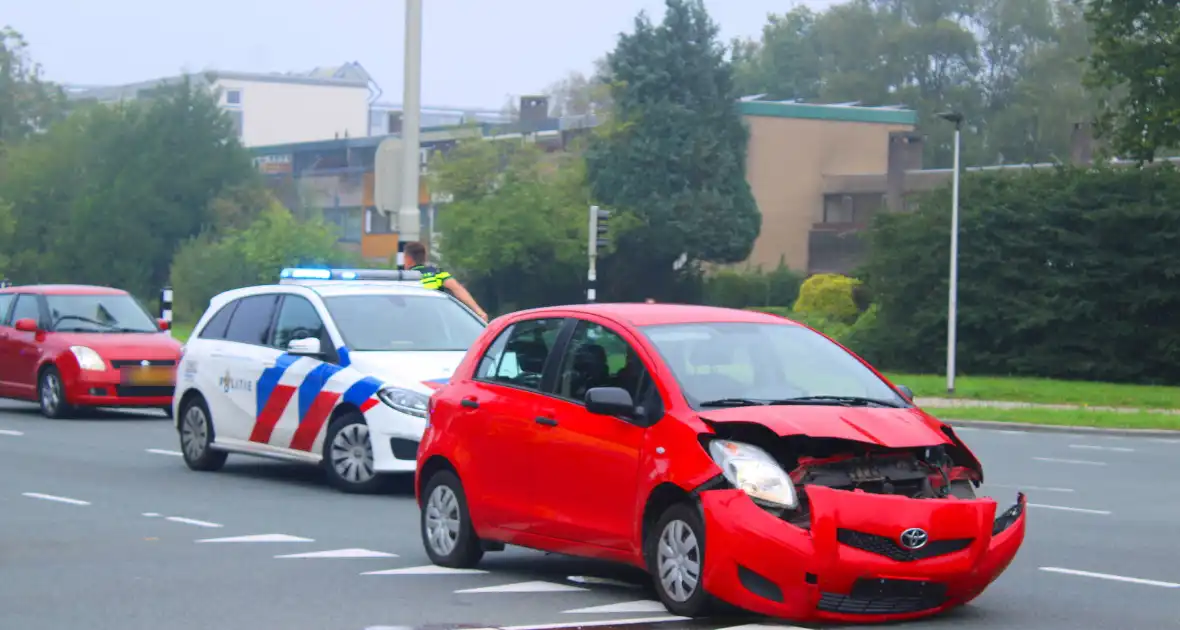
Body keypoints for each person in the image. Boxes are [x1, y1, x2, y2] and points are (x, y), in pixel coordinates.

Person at [401, 241, 488, 321]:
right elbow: (457, 289)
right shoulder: (437, 274)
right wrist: (479, 311)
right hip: (435, 321)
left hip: (410, 320)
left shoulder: (402, 279)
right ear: (424, 257)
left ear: (408, 258)